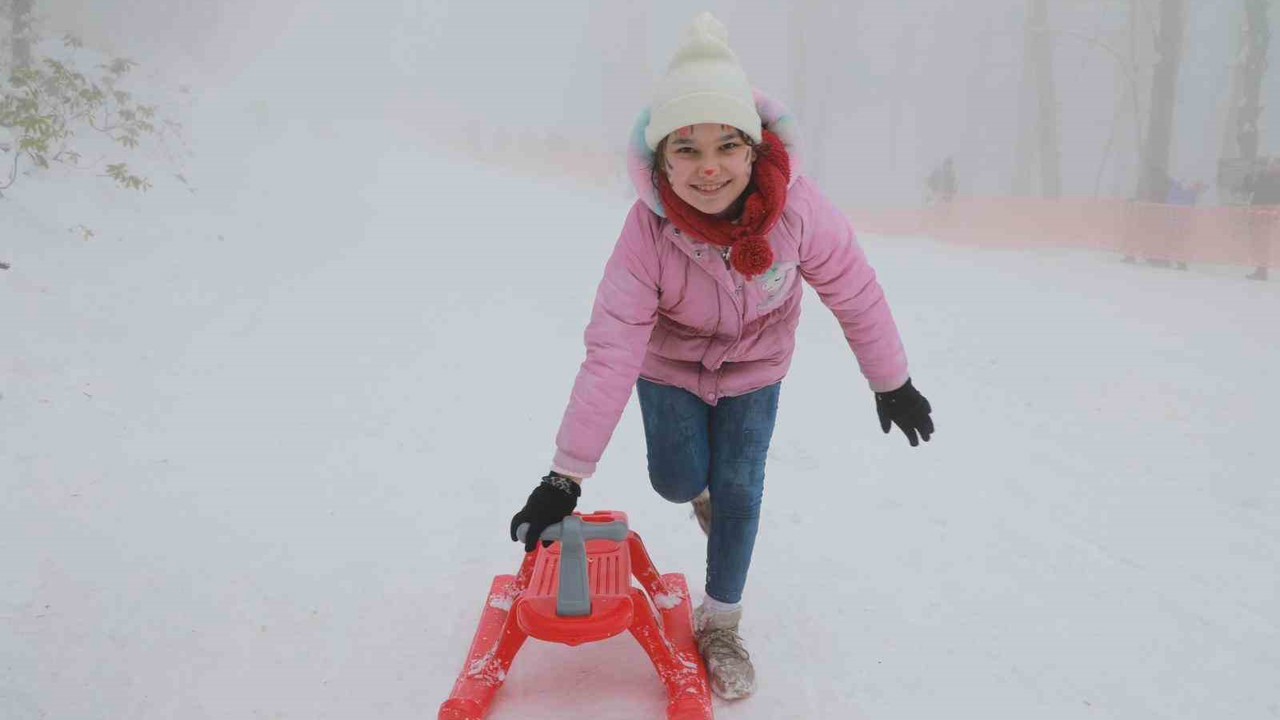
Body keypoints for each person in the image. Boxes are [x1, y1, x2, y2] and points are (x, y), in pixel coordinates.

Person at [508, 12, 934, 701]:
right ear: (661, 158)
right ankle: (697, 492)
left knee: (742, 489)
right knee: (678, 480)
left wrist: (892, 381)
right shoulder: (645, 234)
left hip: (756, 371)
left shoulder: (799, 212)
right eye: (687, 149)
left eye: (727, 146)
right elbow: (611, 350)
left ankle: (723, 625)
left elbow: (854, 290)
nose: (709, 168)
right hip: (668, 370)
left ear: (755, 149)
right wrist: (565, 479)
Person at [1244, 157, 1280, 281]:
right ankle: (1260, 269)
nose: (1270, 166)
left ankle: (1262, 270)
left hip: (1267, 216)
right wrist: (1249, 176)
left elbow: (1271, 193)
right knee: (1257, 243)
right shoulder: (1263, 176)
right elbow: (1250, 189)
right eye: (1270, 164)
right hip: (1257, 215)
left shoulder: (1274, 179)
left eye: (1274, 164)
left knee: (1264, 243)